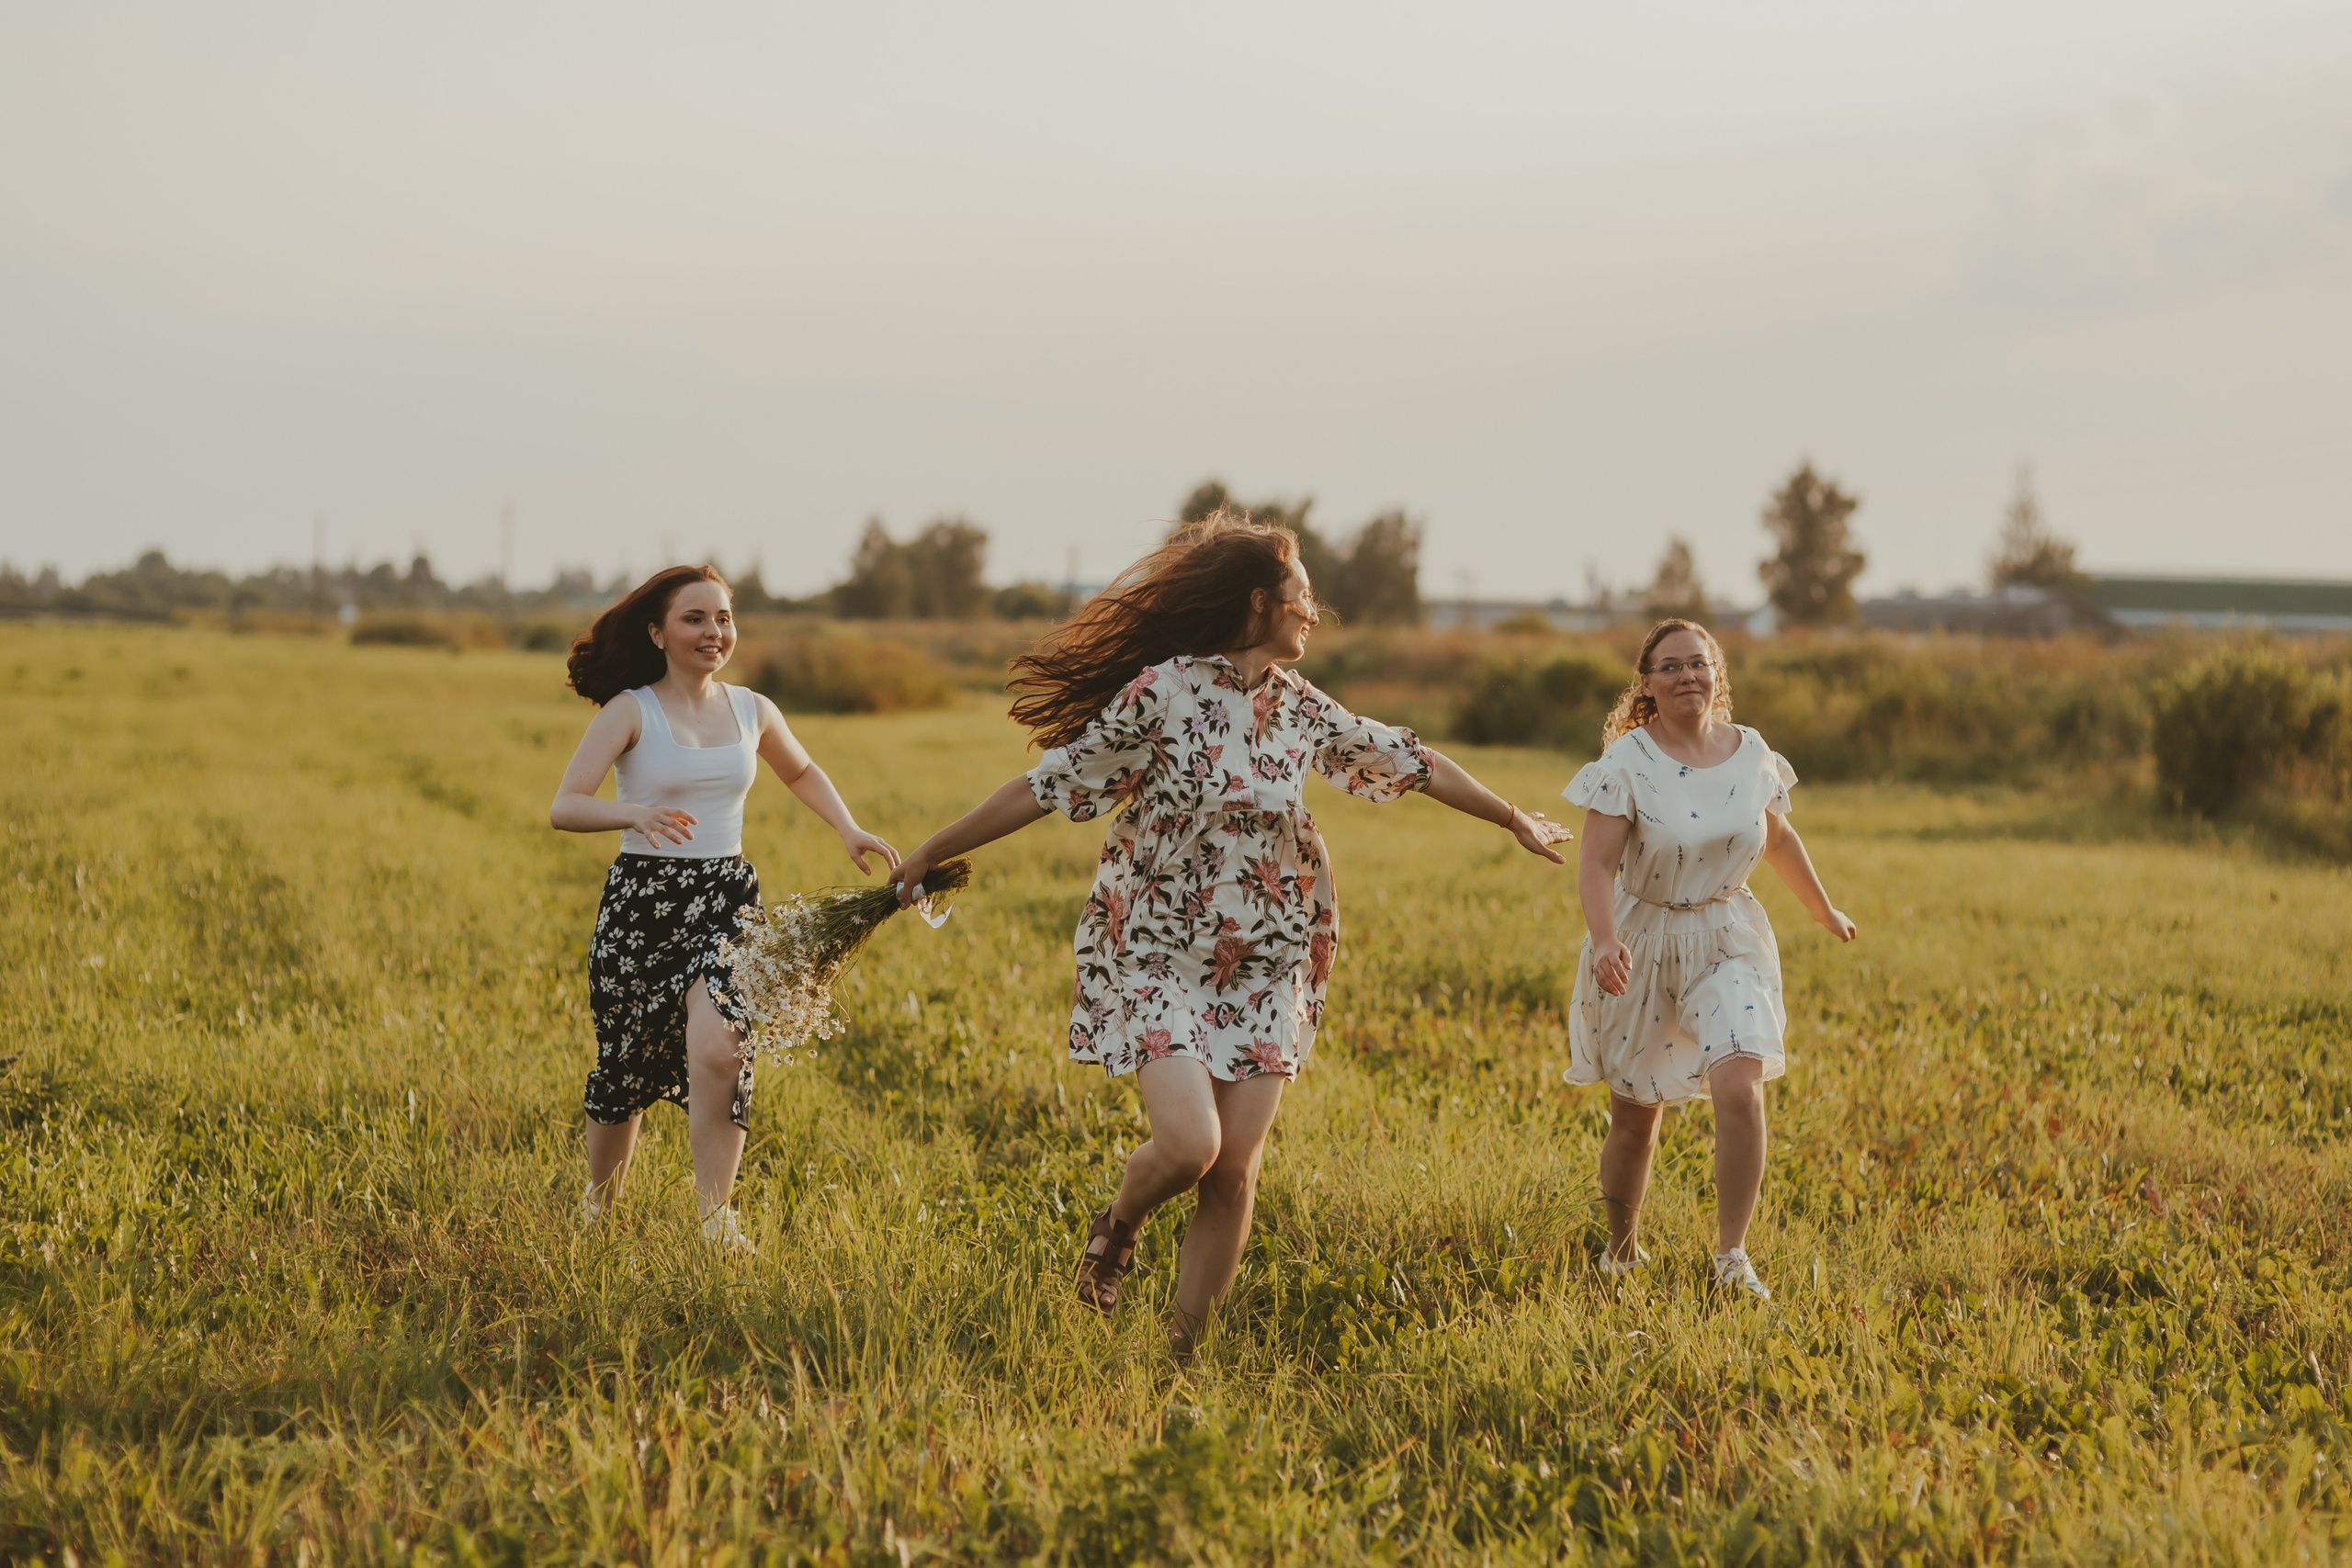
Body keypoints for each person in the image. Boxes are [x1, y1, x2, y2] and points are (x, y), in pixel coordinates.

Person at [889, 513, 1567, 1352]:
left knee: (1234, 1169)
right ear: (1261, 602)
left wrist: (1511, 818)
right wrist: (928, 851)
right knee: (1191, 1145)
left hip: (1271, 955)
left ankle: (1181, 1357)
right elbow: (1045, 785)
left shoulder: (1301, 707)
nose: (1315, 612)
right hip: (1160, 948)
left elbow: (1413, 761)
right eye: (1303, 596)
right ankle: (1119, 1224)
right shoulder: (1164, 692)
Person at [550, 565, 899, 1247]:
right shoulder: (631, 709)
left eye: (724, 619)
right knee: (625, 1063)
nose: (715, 632)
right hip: (643, 904)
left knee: (721, 1048)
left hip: (726, 902)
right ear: (658, 632)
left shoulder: (752, 708)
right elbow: (566, 805)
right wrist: (635, 814)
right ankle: (600, 1208)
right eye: (695, 618)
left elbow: (799, 768)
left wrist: (847, 826)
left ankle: (715, 1217)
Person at [1562, 618, 1856, 1299]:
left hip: (1728, 937)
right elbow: (1597, 865)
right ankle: (1620, 1252)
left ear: (1717, 673)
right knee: (1636, 1120)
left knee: (1739, 1083)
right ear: (1647, 685)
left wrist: (1823, 909)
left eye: (1698, 663)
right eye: (1670, 666)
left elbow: (1778, 839)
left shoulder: (1751, 752)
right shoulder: (1628, 763)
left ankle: (1731, 1256)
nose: (1687, 675)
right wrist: (1606, 940)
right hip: (1643, 940)